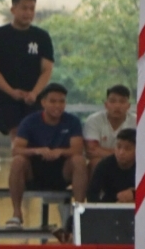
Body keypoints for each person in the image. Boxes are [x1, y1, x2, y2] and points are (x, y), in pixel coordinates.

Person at [7, 83, 86, 229]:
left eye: (61, 101)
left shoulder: (73, 121)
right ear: (43, 102)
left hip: (61, 172)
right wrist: (37, 151)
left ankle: (79, 212)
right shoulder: (29, 121)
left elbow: (77, 149)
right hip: (34, 172)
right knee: (18, 161)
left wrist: (60, 152)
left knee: (79, 161)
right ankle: (17, 213)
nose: (57, 105)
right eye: (53, 101)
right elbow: (16, 150)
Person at [0, 0, 54, 139]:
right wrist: (11, 92)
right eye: (24, 8)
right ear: (13, 10)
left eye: (32, 9)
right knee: (18, 133)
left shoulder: (42, 37)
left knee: (36, 135)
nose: (28, 13)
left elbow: (47, 70)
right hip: (4, 97)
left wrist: (34, 93)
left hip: (34, 97)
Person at [83, 85, 136, 171]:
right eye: (112, 101)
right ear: (106, 104)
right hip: (103, 162)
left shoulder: (137, 121)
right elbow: (92, 150)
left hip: (130, 163)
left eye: (122, 102)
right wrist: (125, 153)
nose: (117, 106)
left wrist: (102, 151)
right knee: (95, 162)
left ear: (128, 106)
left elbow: (140, 151)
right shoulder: (94, 120)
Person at [88, 128, 136, 203]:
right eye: (118, 147)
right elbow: (92, 194)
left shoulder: (144, 167)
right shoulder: (104, 165)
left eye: (127, 149)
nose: (121, 152)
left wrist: (134, 194)